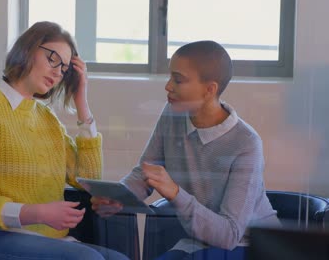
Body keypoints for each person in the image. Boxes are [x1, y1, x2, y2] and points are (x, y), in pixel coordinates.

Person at [91, 40, 280, 260]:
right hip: (197, 243)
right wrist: (119, 196)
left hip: (248, 247)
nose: (168, 86)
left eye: (178, 80)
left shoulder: (246, 143)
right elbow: (145, 173)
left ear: (210, 89)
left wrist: (175, 193)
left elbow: (230, 235)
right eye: (170, 76)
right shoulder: (173, 113)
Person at [0, 21, 129, 260]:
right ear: (28, 48)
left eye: (65, 68)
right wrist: (37, 213)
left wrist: (82, 102)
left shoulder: (46, 117)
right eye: (53, 59)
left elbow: (87, 178)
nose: (58, 72)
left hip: (49, 241)